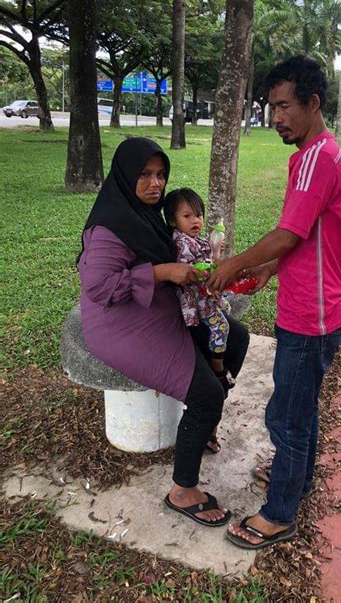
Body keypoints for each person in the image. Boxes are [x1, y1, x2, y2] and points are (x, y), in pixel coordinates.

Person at [206, 55, 341, 548]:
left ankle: (279, 514)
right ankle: (299, 480)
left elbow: (290, 232)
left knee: (286, 417)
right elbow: (307, 237)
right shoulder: (321, 153)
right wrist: (268, 267)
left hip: (311, 315)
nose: (275, 117)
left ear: (312, 104)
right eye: (271, 106)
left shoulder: (316, 158)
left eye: (285, 106)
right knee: (301, 409)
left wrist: (230, 266)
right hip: (319, 306)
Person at [78, 137, 249, 526]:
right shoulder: (109, 227)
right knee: (206, 393)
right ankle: (183, 490)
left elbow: (178, 254)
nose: (156, 184)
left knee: (236, 337)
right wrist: (163, 272)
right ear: (125, 175)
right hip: (119, 323)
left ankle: (203, 424)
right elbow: (99, 286)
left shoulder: (145, 213)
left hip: (156, 305)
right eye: (145, 174)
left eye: (160, 175)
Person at [163, 187, 234, 454]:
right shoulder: (180, 243)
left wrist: (215, 251)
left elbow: (209, 261)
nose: (196, 221)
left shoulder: (194, 239)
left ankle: (211, 428)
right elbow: (192, 269)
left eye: (199, 215)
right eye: (187, 215)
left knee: (225, 320)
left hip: (205, 294)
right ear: (173, 221)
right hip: (195, 298)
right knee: (222, 326)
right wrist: (209, 266)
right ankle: (218, 370)